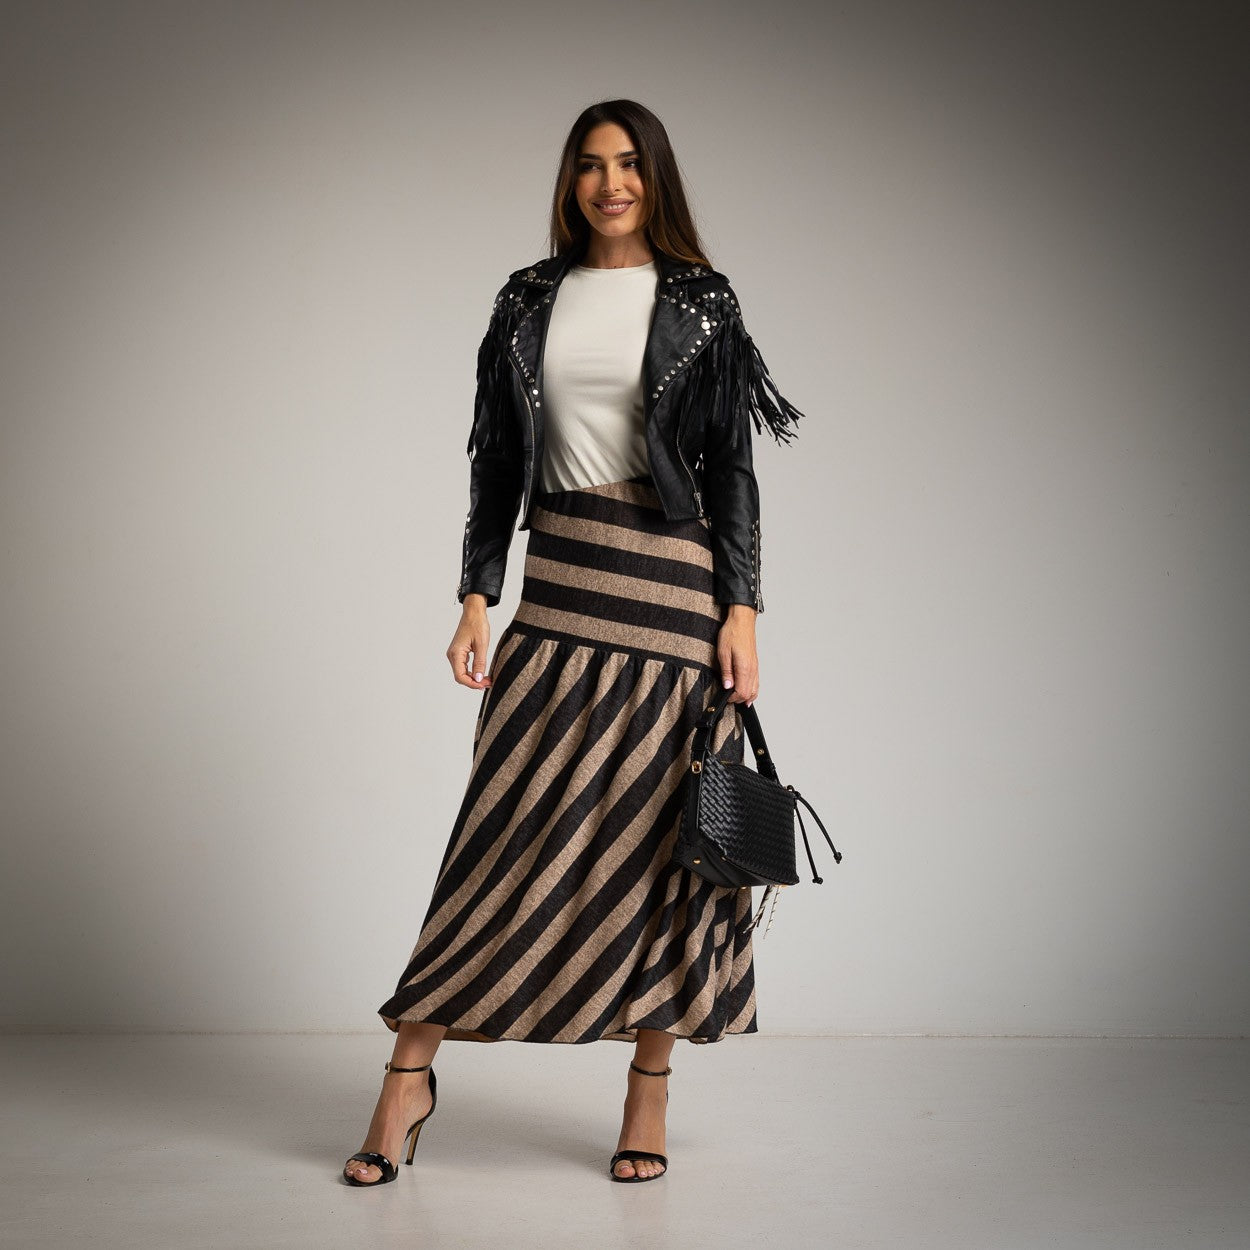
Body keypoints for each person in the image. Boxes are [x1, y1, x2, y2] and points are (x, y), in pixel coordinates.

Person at [342, 98, 802, 1187]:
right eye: (591, 165)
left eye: (629, 163)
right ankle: (407, 1079)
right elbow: (496, 460)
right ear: (570, 181)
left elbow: (731, 469)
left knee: (664, 845)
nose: (611, 183)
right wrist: (476, 593)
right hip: (560, 576)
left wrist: (742, 610)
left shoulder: (700, 300)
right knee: (501, 830)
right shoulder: (526, 298)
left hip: (672, 586)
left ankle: (646, 1092)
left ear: (656, 177)